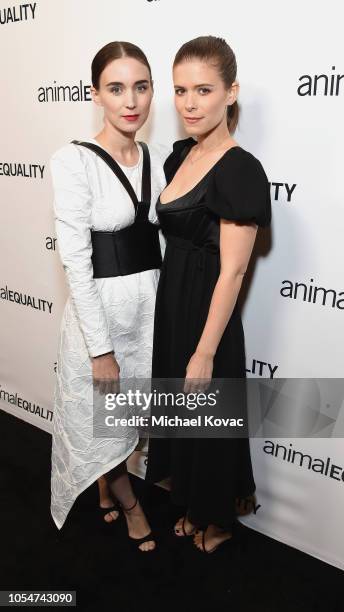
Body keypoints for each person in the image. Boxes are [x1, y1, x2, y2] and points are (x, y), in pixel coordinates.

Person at [145, 35, 271, 553]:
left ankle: (217, 521)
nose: (189, 103)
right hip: (173, 302)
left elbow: (235, 271)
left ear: (231, 92)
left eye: (203, 89)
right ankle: (193, 507)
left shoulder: (241, 169)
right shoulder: (180, 156)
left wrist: (204, 350)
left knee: (210, 419)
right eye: (179, 91)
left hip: (209, 313)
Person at [50, 41, 170, 552]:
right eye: (117, 88)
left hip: (147, 310)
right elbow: (76, 260)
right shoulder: (73, 161)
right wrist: (100, 348)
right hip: (102, 318)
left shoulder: (153, 157)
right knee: (101, 423)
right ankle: (129, 504)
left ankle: (107, 481)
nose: (131, 100)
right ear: (96, 93)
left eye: (140, 87)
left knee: (126, 419)